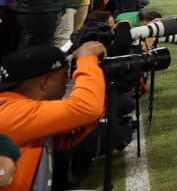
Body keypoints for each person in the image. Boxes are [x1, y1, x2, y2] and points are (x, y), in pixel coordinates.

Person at [0, 42, 107, 191]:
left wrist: (100, 89)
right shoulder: (10, 114)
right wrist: (87, 60)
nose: (68, 81)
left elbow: (66, 136)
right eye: (64, 76)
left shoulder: (14, 107)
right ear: (44, 82)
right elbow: (87, 108)